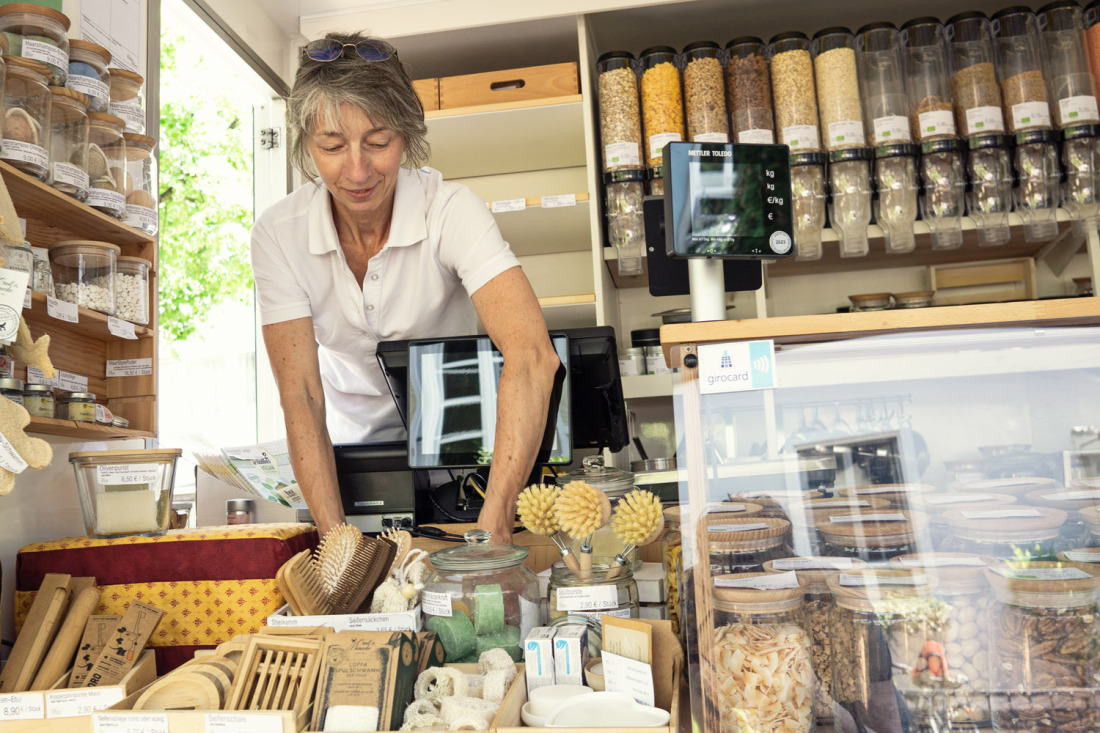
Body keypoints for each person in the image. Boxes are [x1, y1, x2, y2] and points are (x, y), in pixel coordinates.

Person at [250, 31, 560, 541]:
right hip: (350, 465)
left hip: (468, 460)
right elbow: (301, 392)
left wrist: (496, 521)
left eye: (378, 142)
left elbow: (531, 357)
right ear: (306, 144)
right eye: (331, 146)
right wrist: (335, 540)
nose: (356, 170)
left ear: (408, 136)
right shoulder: (278, 234)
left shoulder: (450, 210)